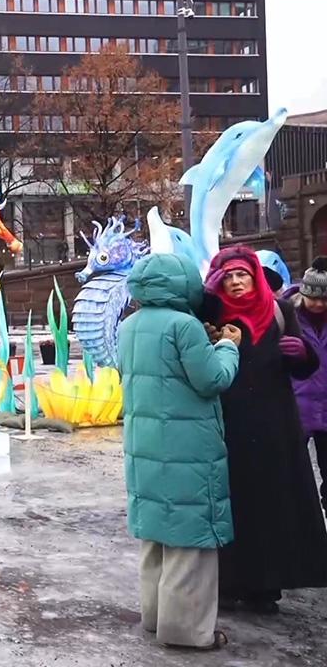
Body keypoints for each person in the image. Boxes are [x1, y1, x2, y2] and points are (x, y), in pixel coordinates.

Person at [117, 253, 240, 650]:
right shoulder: (184, 325)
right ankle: (188, 632)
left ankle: (155, 618)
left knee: (155, 536)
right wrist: (228, 347)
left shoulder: (129, 325)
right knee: (191, 542)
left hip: (145, 445)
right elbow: (212, 379)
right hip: (187, 446)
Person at [204, 246, 327, 614]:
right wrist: (208, 298)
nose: (236, 282)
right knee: (232, 500)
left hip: (275, 420)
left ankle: (266, 585)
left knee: (271, 501)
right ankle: (228, 583)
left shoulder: (280, 310)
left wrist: (304, 355)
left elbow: (303, 367)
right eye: (228, 276)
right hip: (227, 419)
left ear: (255, 276)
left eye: (242, 274)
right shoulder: (215, 314)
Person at [283, 256, 327, 512]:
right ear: (304, 292)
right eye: (315, 297)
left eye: (325, 298)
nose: (320, 304)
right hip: (296, 407)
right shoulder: (287, 317)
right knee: (292, 474)